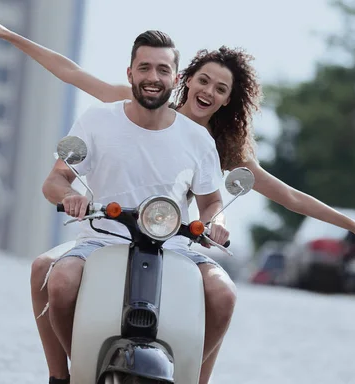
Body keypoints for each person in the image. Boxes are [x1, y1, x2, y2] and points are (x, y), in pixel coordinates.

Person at [0, 12, 355, 383]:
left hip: (174, 239)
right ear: (185, 80)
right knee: (50, 272)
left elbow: (287, 196)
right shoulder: (136, 105)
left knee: (223, 296)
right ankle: (66, 372)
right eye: (203, 81)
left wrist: (354, 225)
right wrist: (11, 36)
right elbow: (74, 75)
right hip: (111, 228)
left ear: (229, 101)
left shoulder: (219, 147)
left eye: (220, 89)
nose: (208, 93)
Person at [39, 29, 233, 384]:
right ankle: (74, 372)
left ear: (176, 80)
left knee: (223, 293)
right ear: (130, 73)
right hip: (101, 238)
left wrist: (215, 222)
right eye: (144, 68)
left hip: (173, 244)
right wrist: (70, 197)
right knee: (61, 282)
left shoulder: (197, 139)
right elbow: (55, 180)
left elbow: (212, 200)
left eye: (162, 70)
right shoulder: (97, 121)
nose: (153, 78)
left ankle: (194, 378)